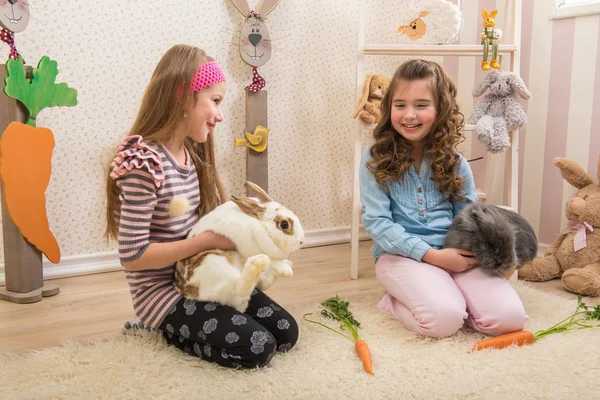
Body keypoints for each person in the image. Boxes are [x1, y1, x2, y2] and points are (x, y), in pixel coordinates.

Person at [104, 44, 298, 369]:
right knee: (259, 348)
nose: (221, 115)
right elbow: (133, 257)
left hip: (201, 278)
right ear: (182, 95)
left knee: (286, 333)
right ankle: (164, 332)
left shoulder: (189, 155)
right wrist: (206, 242)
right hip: (164, 296)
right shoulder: (145, 164)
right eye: (216, 101)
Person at [359, 59, 527, 339]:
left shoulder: (456, 161)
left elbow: (471, 217)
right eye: (400, 105)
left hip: (456, 254)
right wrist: (434, 257)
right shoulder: (374, 159)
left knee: (510, 319)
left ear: (440, 109)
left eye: (421, 105)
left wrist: (498, 259)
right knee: (443, 322)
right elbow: (377, 223)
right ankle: (394, 301)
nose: (409, 115)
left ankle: (449, 292)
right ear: (389, 108)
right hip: (400, 257)